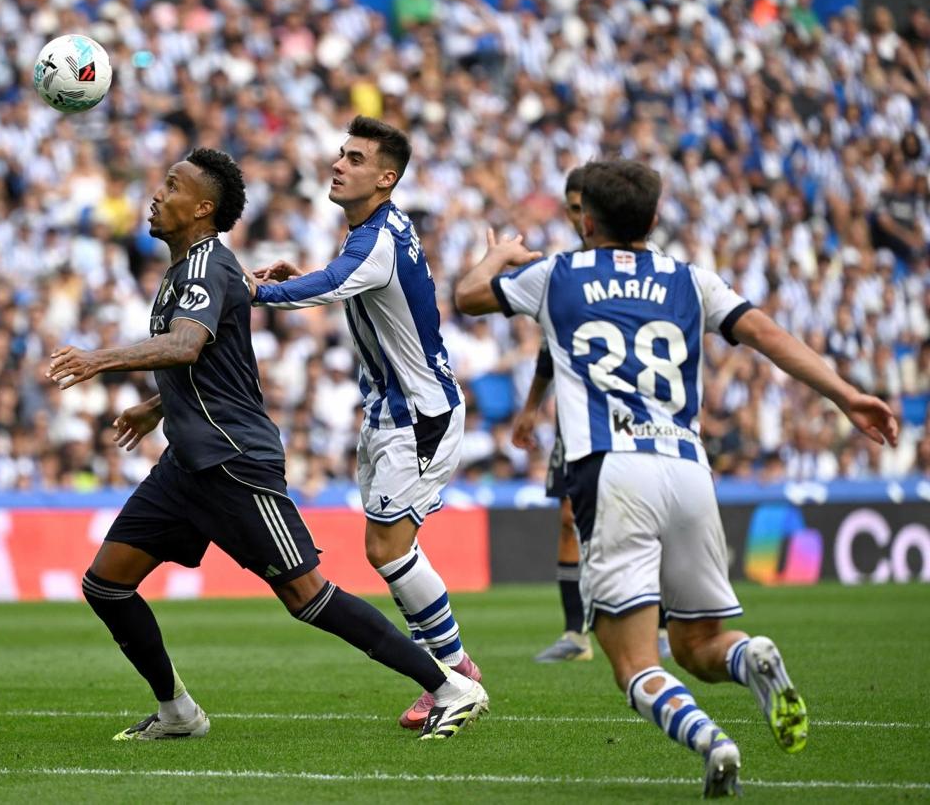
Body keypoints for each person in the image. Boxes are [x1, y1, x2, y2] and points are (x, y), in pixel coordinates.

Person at [455, 159, 898, 796]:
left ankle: (713, 742)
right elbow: (768, 333)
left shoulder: (557, 274)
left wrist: (498, 255)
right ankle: (752, 657)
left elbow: (467, 297)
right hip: (688, 469)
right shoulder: (691, 280)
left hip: (611, 471)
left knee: (633, 662)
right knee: (699, 644)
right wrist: (845, 394)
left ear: (584, 217)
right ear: (655, 219)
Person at [47, 148, 487, 742]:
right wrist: (157, 407)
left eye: (172, 186)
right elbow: (218, 360)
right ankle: (178, 711)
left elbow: (185, 347)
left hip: (233, 462)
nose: (157, 194)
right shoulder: (186, 269)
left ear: (203, 209)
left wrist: (99, 359)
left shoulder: (206, 267)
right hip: (187, 461)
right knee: (106, 583)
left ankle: (449, 686)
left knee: (307, 596)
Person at [247, 116, 480, 731]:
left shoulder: (374, 240)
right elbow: (340, 280)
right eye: (340, 154)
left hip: (418, 414)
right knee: (386, 549)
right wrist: (295, 280)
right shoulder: (374, 230)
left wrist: (248, 291)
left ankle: (452, 674)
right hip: (388, 410)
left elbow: (331, 287)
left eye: (353, 159)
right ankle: (450, 670)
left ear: (385, 178)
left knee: (389, 549)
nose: (338, 164)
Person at [511, 167, 671, 664]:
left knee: (647, 516)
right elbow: (548, 348)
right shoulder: (564, 272)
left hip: (637, 410)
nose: (582, 217)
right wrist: (533, 405)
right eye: (575, 207)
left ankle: (661, 626)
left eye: (587, 207)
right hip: (577, 415)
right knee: (567, 519)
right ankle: (575, 633)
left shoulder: (651, 269)